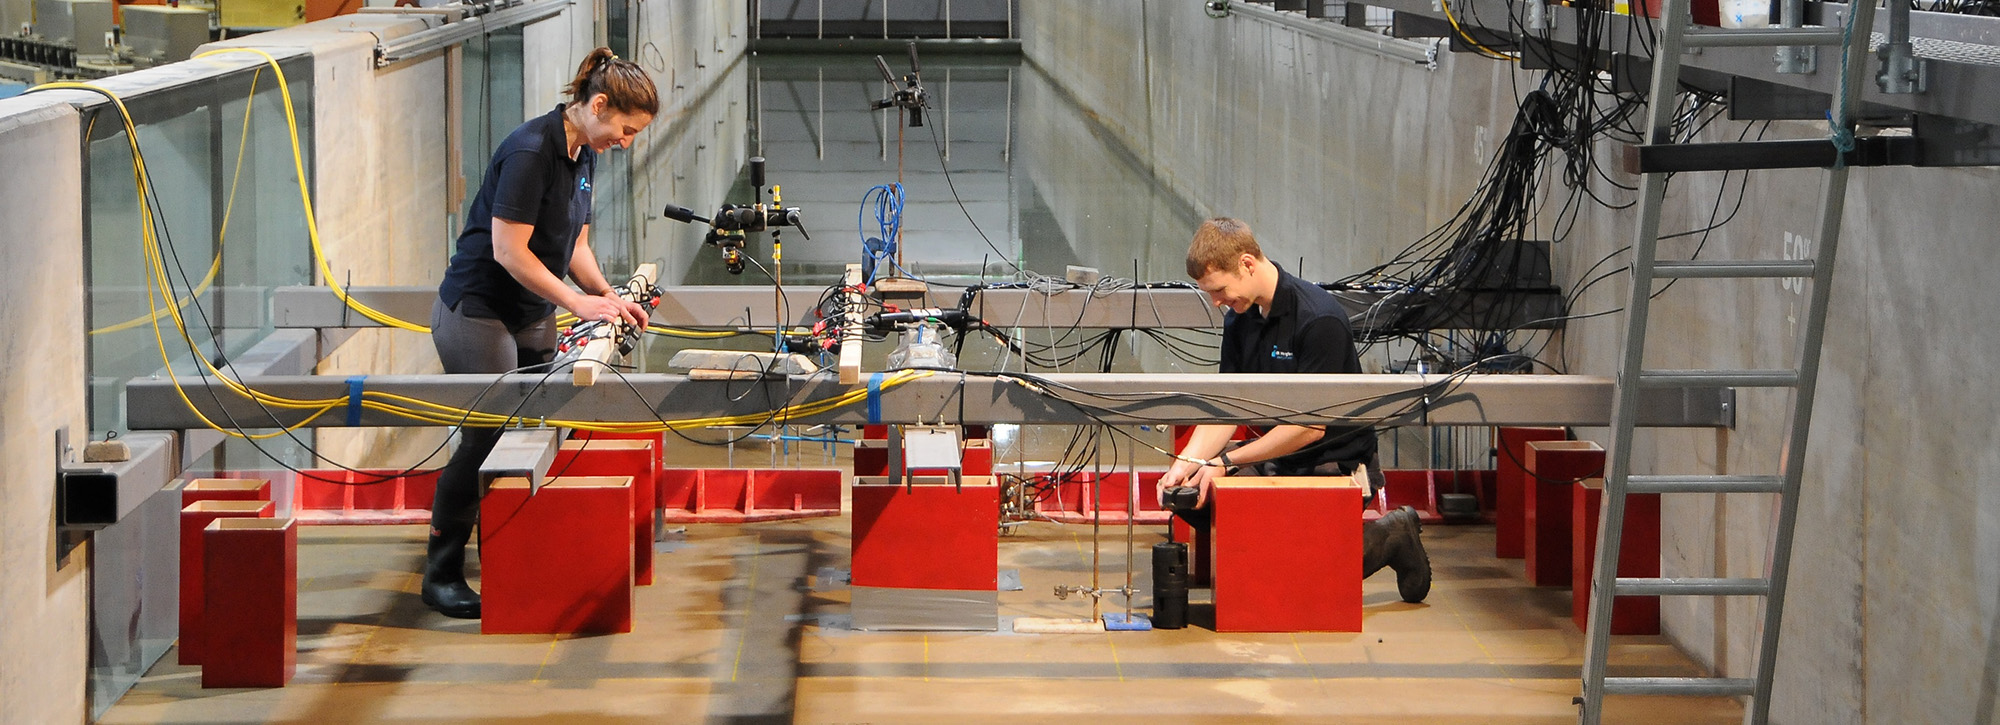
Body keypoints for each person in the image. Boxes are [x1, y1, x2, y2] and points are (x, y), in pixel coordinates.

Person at [422, 48, 658, 619]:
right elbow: (508, 250)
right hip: (478, 308)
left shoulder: (584, 150)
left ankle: (512, 552)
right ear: (598, 105)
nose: (624, 143)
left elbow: (574, 243)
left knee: (541, 420)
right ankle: (442, 572)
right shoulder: (531, 151)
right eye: (624, 130)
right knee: (483, 436)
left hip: (531, 307)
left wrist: (607, 296)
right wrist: (577, 302)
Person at [1156, 217, 1432, 604]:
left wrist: (1224, 460)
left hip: (1330, 464)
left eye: (1219, 290)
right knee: (1193, 496)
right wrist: (1187, 462)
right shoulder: (1240, 319)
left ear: (1248, 264)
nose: (1216, 302)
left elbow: (1309, 429)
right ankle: (1285, 550)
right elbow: (1228, 407)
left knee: (1295, 574)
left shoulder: (1319, 320)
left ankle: (1390, 536)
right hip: (1277, 459)